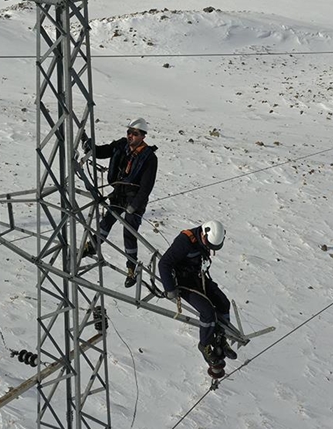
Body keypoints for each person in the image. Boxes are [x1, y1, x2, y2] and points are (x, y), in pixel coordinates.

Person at [82, 118, 158, 287]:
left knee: (129, 231)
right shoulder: (121, 145)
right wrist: (90, 147)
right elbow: (103, 151)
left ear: (143, 136)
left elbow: (146, 187)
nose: (130, 136)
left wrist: (134, 206)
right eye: (129, 132)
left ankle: (131, 268)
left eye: (134, 133)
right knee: (106, 222)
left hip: (134, 198)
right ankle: (92, 246)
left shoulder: (149, 158)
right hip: (119, 193)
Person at [158, 220, 237, 364]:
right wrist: (170, 289)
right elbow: (164, 263)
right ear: (204, 234)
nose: (209, 248)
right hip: (183, 282)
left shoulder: (204, 240)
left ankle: (220, 339)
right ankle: (205, 345)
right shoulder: (185, 241)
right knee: (207, 312)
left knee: (223, 303)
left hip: (197, 277)